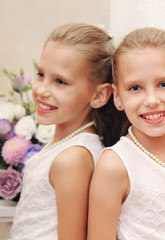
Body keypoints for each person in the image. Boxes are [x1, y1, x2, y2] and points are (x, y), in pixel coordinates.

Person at [87, 27, 165, 240]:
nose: (151, 100)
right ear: (117, 97)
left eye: (163, 84)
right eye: (135, 88)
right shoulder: (115, 165)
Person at [10, 23, 126, 240]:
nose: (42, 90)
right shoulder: (72, 147)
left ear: (99, 95)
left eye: (60, 82)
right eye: (41, 74)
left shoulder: (72, 158)